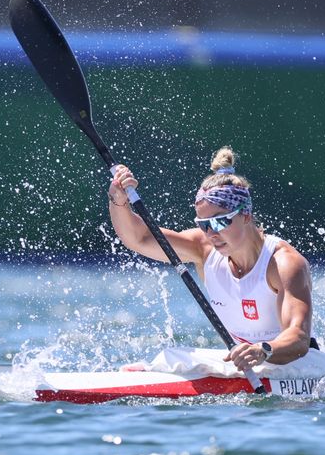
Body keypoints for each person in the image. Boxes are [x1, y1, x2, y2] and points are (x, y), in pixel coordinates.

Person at [108, 146, 313, 373]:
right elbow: (139, 238)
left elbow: (299, 338)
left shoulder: (283, 264)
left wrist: (262, 350)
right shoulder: (203, 248)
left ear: (246, 215)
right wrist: (119, 200)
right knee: (173, 356)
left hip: (296, 363)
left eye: (219, 221)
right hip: (243, 362)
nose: (211, 233)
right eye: (203, 225)